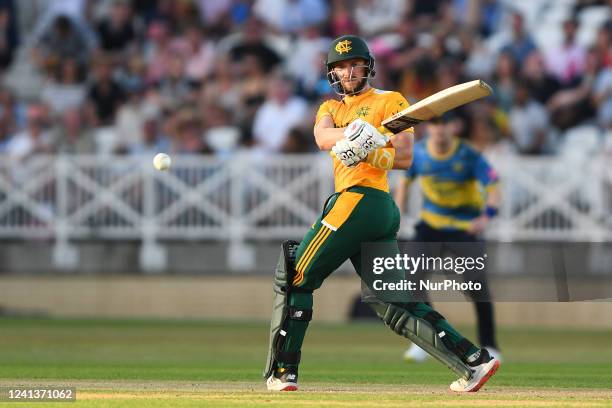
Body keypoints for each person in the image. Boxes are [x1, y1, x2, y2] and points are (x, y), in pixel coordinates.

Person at [264, 35, 500, 393]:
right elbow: (321, 137)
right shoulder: (330, 108)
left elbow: (404, 158)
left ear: (367, 66)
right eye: (340, 67)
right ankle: (473, 361)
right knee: (396, 303)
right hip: (373, 213)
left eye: (354, 64)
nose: (347, 72)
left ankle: (283, 372)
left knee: (295, 273)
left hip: (361, 200)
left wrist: (370, 152)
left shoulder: (391, 101)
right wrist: (354, 137)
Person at [394, 114, 501, 363]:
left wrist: (486, 217)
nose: (439, 130)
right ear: (429, 128)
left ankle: (490, 344)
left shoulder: (468, 155)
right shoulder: (418, 153)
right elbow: (403, 183)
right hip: (430, 226)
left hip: (465, 229)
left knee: (476, 287)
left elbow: (494, 186)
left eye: (444, 124)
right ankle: (425, 341)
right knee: (411, 280)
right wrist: (397, 213)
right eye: (434, 124)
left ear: (453, 127)